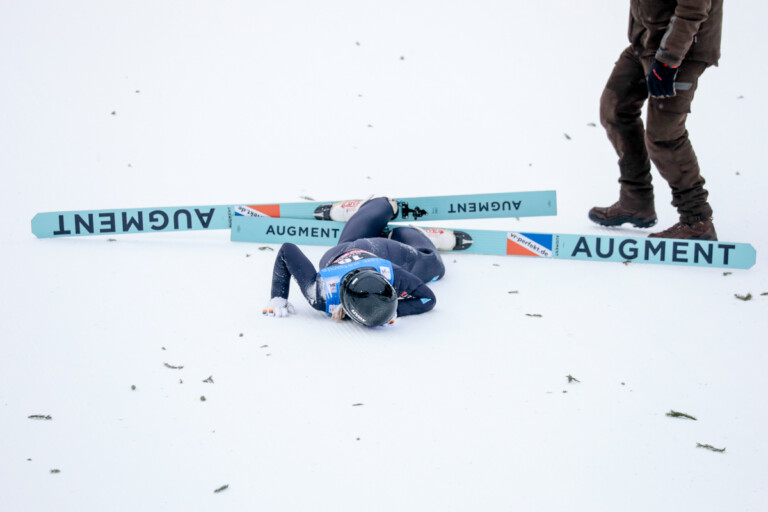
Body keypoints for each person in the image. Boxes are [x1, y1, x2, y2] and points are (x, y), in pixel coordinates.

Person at [589, 0, 723, 240]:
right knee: (615, 109)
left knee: (664, 135)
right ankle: (636, 200)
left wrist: (668, 59)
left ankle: (697, 219)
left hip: (682, 51)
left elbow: (694, 8)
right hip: (645, 44)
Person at [263, 197, 459, 327]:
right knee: (433, 267)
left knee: (433, 267)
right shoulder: (319, 294)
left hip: (370, 250)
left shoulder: (392, 274)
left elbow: (429, 300)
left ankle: (392, 218)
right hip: (352, 251)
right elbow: (426, 299)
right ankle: (392, 218)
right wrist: (278, 297)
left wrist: (393, 310)